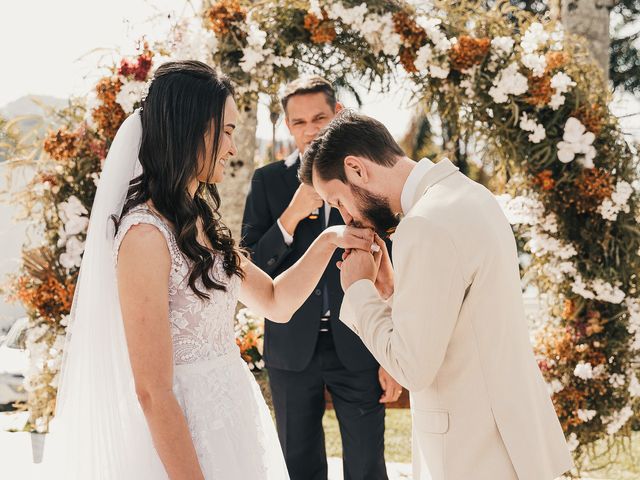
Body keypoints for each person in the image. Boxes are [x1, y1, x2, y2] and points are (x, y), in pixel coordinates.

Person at [44, 62, 375, 480]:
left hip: (232, 423)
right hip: (184, 440)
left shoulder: (201, 218)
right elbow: (152, 391)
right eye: (228, 131)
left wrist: (330, 239)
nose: (233, 148)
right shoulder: (145, 236)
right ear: (191, 130)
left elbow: (275, 301)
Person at [299, 110, 575, 480]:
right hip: (513, 441)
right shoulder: (470, 195)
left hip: (471, 454)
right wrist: (389, 293)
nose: (345, 217)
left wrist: (359, 290)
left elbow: (413, 368)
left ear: (357, 169)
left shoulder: (424, 225)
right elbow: (462, 321)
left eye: (337, 201)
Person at [241, 76, 398, 480]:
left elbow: (394, 267)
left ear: (338, 115)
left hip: (361, 345)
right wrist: (291, 214)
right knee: (298, 464)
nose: (310, 130)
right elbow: (251, 265)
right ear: (287, 126)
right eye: (298, 122)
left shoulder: (364, 176)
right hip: (292, 350)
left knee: (367, 465)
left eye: (320, 118)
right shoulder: (268, 181)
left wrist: (391, 356)